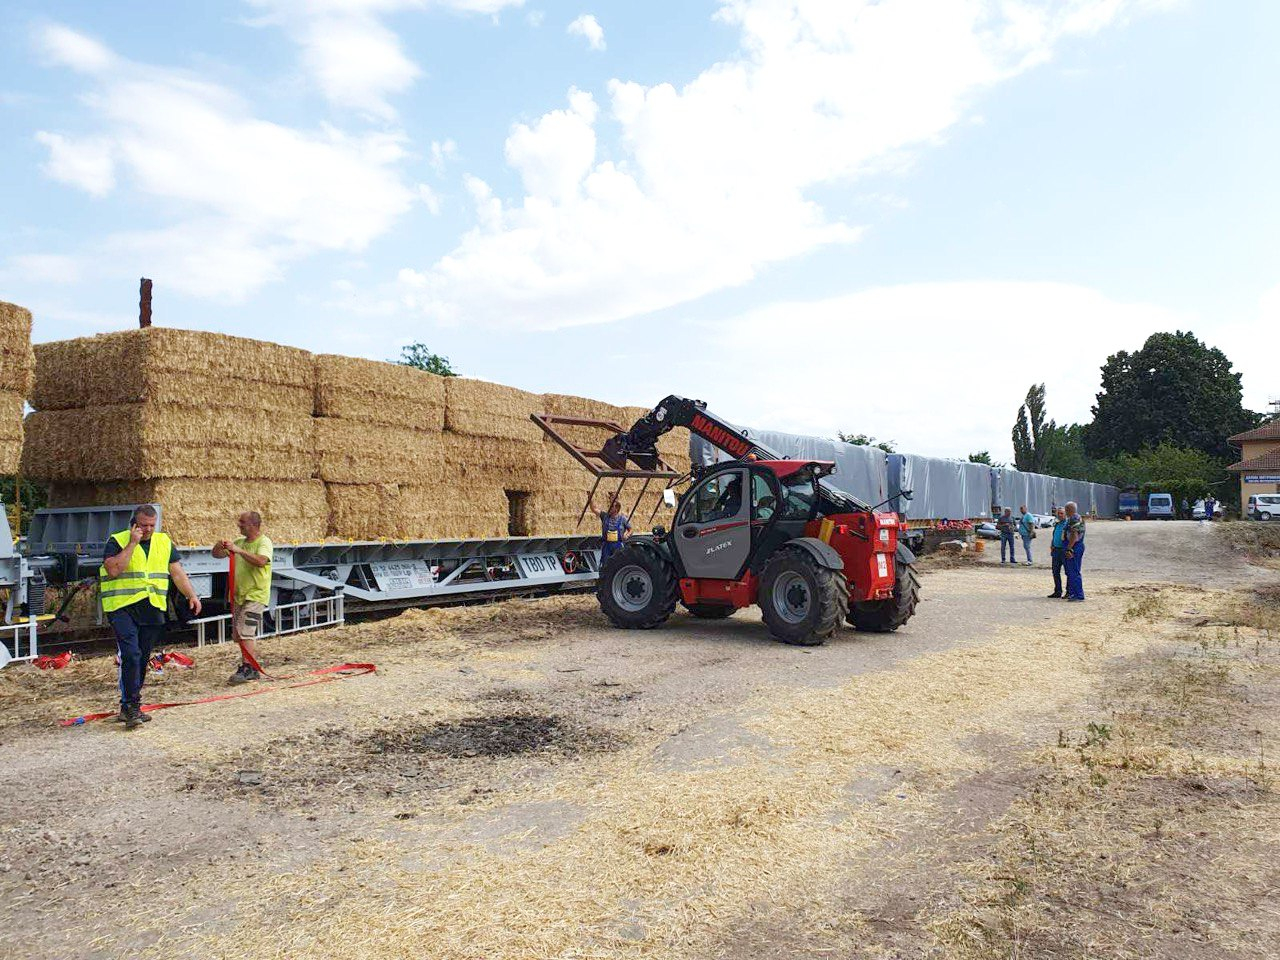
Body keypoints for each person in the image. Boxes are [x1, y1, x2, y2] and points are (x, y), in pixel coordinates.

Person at [99, 506, 202, 729]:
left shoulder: (164, 542)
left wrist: (191, 595)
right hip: (122, 606)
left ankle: (133, 704)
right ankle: (129, 706)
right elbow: (113, 570)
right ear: (133, 525)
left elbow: (176, 572)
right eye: (143, 525)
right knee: (131, 654)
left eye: (151, 526)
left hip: (152, 606)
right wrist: (133, 543)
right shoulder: (117, 541)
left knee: (142, 657)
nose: (147, 530)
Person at [214, 511, 273, 684]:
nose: (238, 524)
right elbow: (216, 555)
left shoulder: (264, 542)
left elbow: (262, 561)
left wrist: (238, 551)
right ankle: (248, 665)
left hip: (256, 595)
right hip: (240, 595)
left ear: (253, 525)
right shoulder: (239, 542)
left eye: (242, 522)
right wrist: (219, 545)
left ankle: (250, 668)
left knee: (246, 631)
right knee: (239, 633)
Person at [591, 495, 632, 563]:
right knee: (605, 564)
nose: (609, 508)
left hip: (618, 546)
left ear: (616, 509)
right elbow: (594, 509)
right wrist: (590, 499)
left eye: (611, 507)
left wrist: (627, 535)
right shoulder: (605, 516)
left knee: (618, 564)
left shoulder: (622, 519)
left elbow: (631, 529)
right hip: (607, 546)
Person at [1063, 501, 1086, 601]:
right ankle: (1073, 593)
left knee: (1074, 571)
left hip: (1075, 546)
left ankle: (1078, 595)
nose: (1065, 511)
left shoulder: (1074, 518)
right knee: (1071, 571)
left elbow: (1074, 535)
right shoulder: (1073, 518)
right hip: (1074, 546)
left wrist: (1069, 549)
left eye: (1066, 509)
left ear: (1069, 509)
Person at [1048, 507, 1068, 598]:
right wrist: (1052, 544)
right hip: (1056, 550)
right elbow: (1054, 535)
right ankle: (1057, 591)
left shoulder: (1067, 524)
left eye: (1061, 513)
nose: (1060, 515)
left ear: (1065, 514)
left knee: (1068, 572)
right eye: (1058, 513)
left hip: (1064, 550)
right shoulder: (1057, 524)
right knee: (1055, 571)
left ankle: (1069, 591)